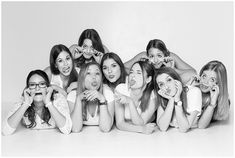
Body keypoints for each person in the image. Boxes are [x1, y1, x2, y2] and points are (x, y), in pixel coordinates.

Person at [2, 70, 72, 135]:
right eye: (32, 85)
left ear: (47, 87)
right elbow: (6, 131)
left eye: (42, 84)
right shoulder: (23, 100)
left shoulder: (58, 99)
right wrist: (26, 104)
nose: (37, 88)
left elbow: (67, 129)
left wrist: (48, 103)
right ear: (28, 89)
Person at [124, 39, 196, 85]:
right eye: (152, 56)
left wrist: (173, 69)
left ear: (165, 54)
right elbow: (121, 68)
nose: (155, 60)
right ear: (148, 55)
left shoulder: (171, 57)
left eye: (159, 55)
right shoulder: (143, 56)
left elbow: (193, 73)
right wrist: (140, 69)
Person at [67, 62, 114, 132]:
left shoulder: (108, 94)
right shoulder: (72, 95)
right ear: (82, 78)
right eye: (88, 73)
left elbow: (106, 128)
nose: (94, 77)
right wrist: (78, 100)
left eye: (97, 73)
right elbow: (75, 129)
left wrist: (102, 99)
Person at [114, 60, 157, 134]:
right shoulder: (121, 89)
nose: (132, 76)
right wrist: (142, 129)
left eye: (138, 73)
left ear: (148, 79)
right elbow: (120, 124)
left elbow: (140, 123)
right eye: (131, 72)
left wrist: (130, 102)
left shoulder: (153, 95)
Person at [154, 67, 202, 132]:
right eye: (161, 84)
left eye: (169, 80)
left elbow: (183, 128)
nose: (166, 86)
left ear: (176, 80)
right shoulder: (164, 96)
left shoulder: (194, 92)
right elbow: (163, 127)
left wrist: (177, 99)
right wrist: (171, 100)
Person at [189, 61, 230, 128]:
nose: (205, 82)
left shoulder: (220, 101)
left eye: (212, 80)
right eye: (204, 76)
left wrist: (212, 103)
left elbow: (201, 125)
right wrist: (189, 89)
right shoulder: (194, 89)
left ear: (218, 84)